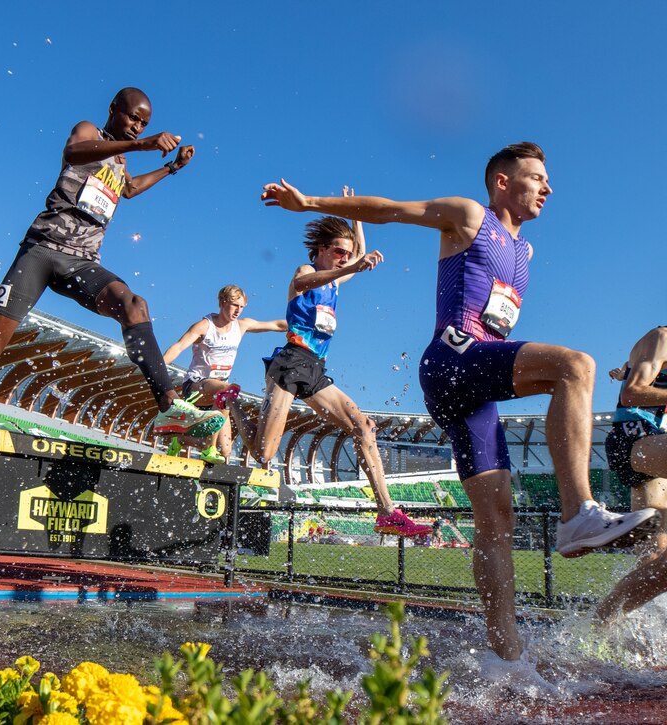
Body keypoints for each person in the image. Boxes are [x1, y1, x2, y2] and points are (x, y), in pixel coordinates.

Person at [259, 142, 659, 665]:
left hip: (477, 387)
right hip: (452, 358)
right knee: (576, 366)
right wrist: (309, 202)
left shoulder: (526, 251)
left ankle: (507, 662)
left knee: (497, 523)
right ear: (501, 182)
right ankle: (577, 512)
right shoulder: (471, 217)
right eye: (536, 177)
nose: (548, 187)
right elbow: (392, 210)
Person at [0, 87, 223, 441]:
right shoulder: (88, 132)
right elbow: (74, 152)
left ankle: (169, 407)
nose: (136, 128)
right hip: (41, 251)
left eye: (143, 125)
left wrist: (171, 168)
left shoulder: (121, 160)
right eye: (132, 118)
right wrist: (139, 146)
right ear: (113, 109)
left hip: (81, 262)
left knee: (135, 305)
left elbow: (128, 189)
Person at [224, 189, 431, 538]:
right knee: (263, 453)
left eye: (347, 254)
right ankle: (231, 402)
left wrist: (356, 215)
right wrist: (350, 265)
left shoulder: (339, 274)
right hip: (289, 363)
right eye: (338, 252)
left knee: (364, 427)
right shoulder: (308, 270)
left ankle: (388, 512)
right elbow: (302, 283)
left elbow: (361, 255)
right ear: (321, 251)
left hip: (316, 369)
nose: (344, 258)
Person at [160, 284, 286, 463]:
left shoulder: (242, 326)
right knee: (228, 390)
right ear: (222, 302)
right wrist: (157, 367)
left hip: (218, 398)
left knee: (225, 452)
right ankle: (208, 449)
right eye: (235, 305)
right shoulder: (204, 326)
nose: (238, 311)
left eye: (242, 307)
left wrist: (302, 325)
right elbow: (179, 346)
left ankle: (181, 439)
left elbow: (275, 324)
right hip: (197, 386)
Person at [596, 326, 667, 619]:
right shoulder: (662, 337)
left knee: (657, 564)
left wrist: (621, 370)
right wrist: (624, 375)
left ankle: (601, 623)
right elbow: (632, 393)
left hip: (653, 455)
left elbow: (630, 373)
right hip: (633, 440)